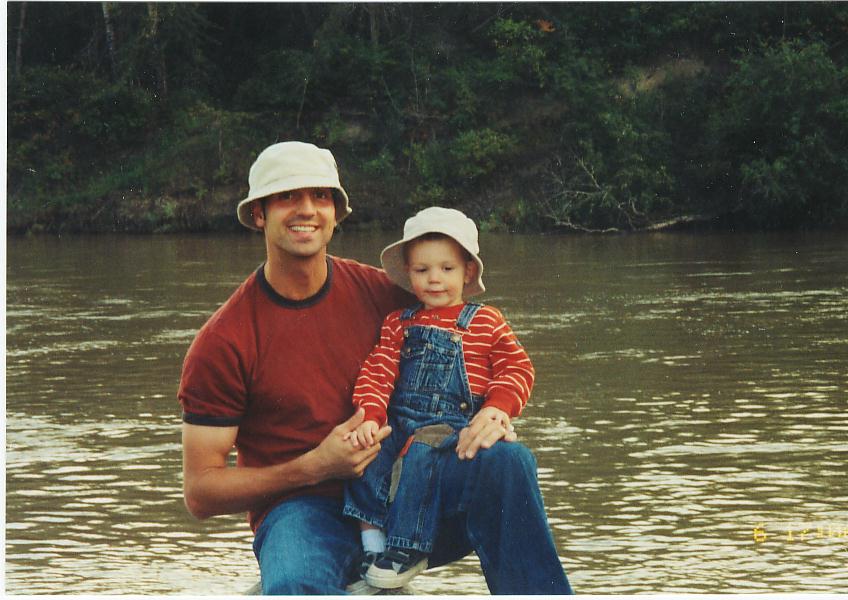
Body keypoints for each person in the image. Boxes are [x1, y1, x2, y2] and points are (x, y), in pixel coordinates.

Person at [178, 141, 574, 595]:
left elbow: (489, 351)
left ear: (335, 212)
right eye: (287, 196)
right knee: (294, 585)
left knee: (507, 461)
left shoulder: (386, 296)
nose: (306, 209)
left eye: (320, 196)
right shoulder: (224, 341)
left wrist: (495, 412)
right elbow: (201, 492)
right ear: (258, 215)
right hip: (302, 510)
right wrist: (313, 467)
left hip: (405, 489)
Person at [342, 207, 542, 590]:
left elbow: (518, 368)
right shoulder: (398, 323)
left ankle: (406, 548)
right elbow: (378, 371)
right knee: (365, 453)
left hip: (448, 429)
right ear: (409, 274)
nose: (435, 279)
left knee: (421, 453)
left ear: (467, 272)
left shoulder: (485, 321)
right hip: (399, 421)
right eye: (422, 270)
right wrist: (369, 416)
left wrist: (498, 408)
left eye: (447, 269)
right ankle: (371, 544)